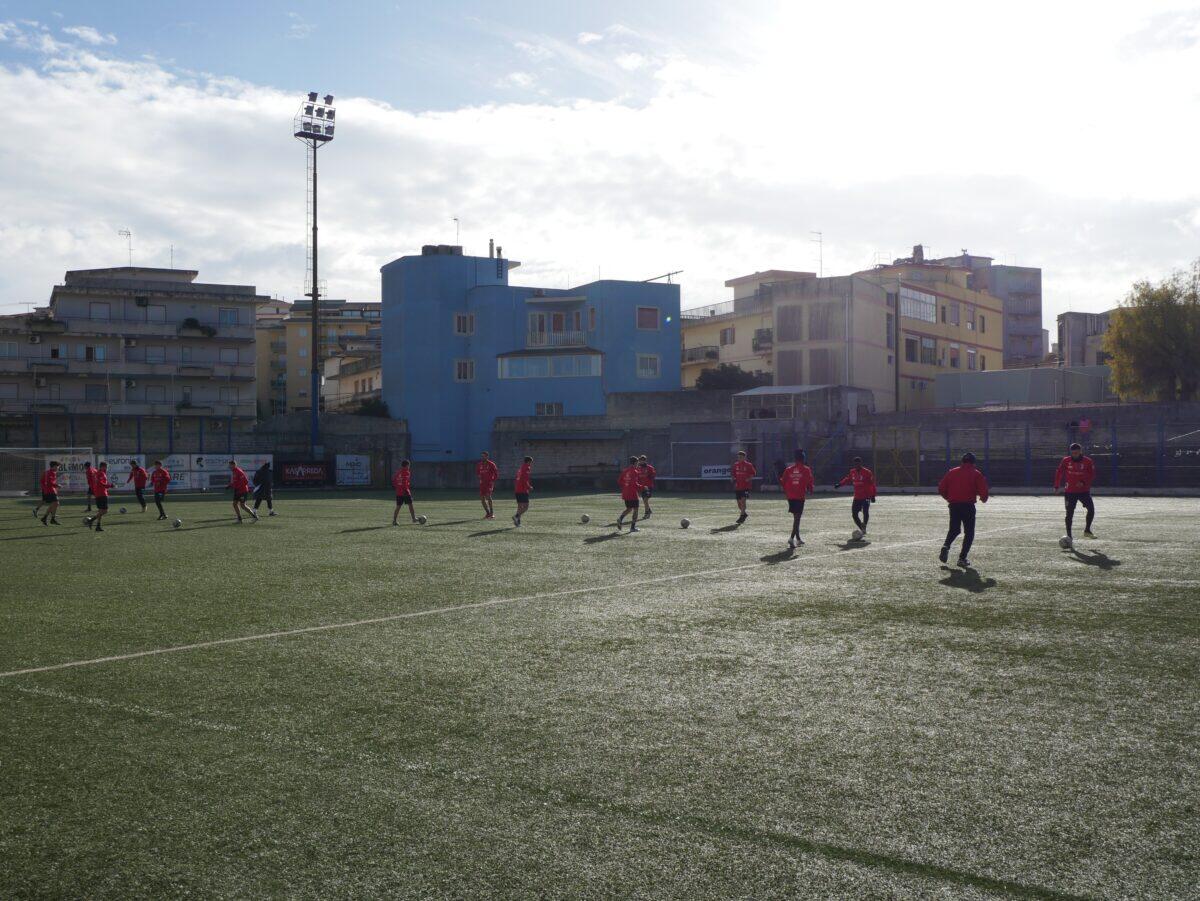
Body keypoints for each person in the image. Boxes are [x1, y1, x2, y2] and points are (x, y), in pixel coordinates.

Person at [938, 452, 989, 568]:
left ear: (962, 461)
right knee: (969, 532)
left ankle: (946, 546)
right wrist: (983, 498)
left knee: (954, 529)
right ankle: (962, 558)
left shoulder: (952, 472)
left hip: (954, 505)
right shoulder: (976, 474)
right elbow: (984, 493)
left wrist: (949, 498)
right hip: (968, 506)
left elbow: (941, 488)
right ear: (973, 462)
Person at [1054, 442, 1096, 540]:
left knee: (1091, 509)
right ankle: (1069, 536)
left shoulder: (1088, 461)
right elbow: (1059, 472)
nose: (1074, 455)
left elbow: (1092, 474)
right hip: (1070, 492)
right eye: (1073, 453)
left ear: (1080, 451)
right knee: (1069, 513)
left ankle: (1087, 530)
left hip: (1083, 491)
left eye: (1076, 453)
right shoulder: (1066, 460)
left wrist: (1083, 482)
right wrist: (1056, 486)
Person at [779, 449, 814, 549]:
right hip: (799, 496)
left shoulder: (789, 469)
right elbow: (809, 481)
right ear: (803, 459)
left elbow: (782, 481)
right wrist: (810, 490)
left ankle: (798, 539)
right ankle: (791, 538)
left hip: (790, 496)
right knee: (797, 518)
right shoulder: (806, 469)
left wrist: (788, 489)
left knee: (796, 517)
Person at [834, 457, 877, 538]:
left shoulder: (867, 472)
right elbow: (847, 479)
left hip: (866, 496)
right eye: (855, 464)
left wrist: (873, 495)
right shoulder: (852, 472)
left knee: (865, 511)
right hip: (857, 496)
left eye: (858, 463)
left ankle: (864, 526)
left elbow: (872, 484)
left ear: (860, 463)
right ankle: (862, 527)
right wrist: (839, 484)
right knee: (854, 514)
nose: (857, 465)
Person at [616, 456, 642, 533]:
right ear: (635, 463)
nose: (638, 464)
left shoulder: (625, 471)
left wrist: (626, 485)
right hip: (633, 493)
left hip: (625, 493)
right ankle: (632, 528)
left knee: (629, 508)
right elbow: (635, 484)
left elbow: (619, 481)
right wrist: (642, 487)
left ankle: (620, 519)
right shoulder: (635, 471)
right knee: (636, 510)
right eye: (637, 463)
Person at [731, 450, 756, 524]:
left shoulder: (749, 465)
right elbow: (733, 474)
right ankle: (744, 514)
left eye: (741, 457)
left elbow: (753, 473)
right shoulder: (735, 465)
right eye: (738, 457)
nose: (739, 458)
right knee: (739, 504)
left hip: (745, 486)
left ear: (744, 457)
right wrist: (733, 478)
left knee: (743, 501)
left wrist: (749, 478)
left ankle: (741, 517)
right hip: (738, 487)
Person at [86, 461, 111, 532]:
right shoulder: (100, 473)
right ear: (102, 467)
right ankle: (91, 520)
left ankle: (98, 526)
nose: (106, 468)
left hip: (98, 493)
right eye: (106, 467)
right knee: (105, 511)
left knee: (100, 511)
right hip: (102, 494)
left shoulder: (97, 473)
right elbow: (101, 483)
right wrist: (110, 485)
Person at [391, 460, 417, 525]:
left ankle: (394, 521)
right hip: (405, 491)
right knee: (410, 505)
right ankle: (414, 519)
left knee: (398, 506)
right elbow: (405, 483)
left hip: (399, 492)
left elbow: (393, 481)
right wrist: (406, 492)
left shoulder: (398, 472)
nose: (409, 467)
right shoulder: (406, 472)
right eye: (409, 466)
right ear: (407, 465)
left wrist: (397, 488)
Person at [38, 460, 61, 525]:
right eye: (57, 466)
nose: (58, 468)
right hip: (49, 491)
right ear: (54, 466)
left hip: (51, 490)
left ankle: (45, 518)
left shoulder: (52, 472)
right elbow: (49, 483)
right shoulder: (50, 473)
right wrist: (57, 485)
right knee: (56, 503)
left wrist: (56, 486)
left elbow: (49, 482)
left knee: (55, 504)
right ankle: (51, 519)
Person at [476, 451, 499, 519]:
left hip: (489, 483)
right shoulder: (479, 464)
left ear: (487, 456)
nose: (483, 457)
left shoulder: (491, 464)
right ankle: (487, 513)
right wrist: (480, 477)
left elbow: (496, 473)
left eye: (484, 456)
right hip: (482, 484)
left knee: (488, 496)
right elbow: (477, 472)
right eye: (482, 456)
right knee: (482, 499)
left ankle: (492, 513)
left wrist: (492, 480)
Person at [513, 456, 533, 527]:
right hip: (522, 490)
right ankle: (516, 516)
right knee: (526, 507)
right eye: (531, 462)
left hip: (517, 489)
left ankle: (517, 522)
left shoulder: (520, 468)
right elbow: (525, 480)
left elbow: (517, 478)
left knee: (520, 507)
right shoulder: (526, 468)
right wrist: (529, 487)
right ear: (528, 462)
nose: (531, 464)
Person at [637, 454, 656, 519]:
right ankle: (649, 510)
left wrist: (650, 476)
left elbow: (653, 475)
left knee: (645, 500)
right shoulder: (638, 468)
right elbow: (638, 477)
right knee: (645, 501)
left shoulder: (650, 468)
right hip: (642, 487)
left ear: (645, 461)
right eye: (640, 460)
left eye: (642, 460)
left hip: (648, 487)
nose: (641, 462)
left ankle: (647, 514)